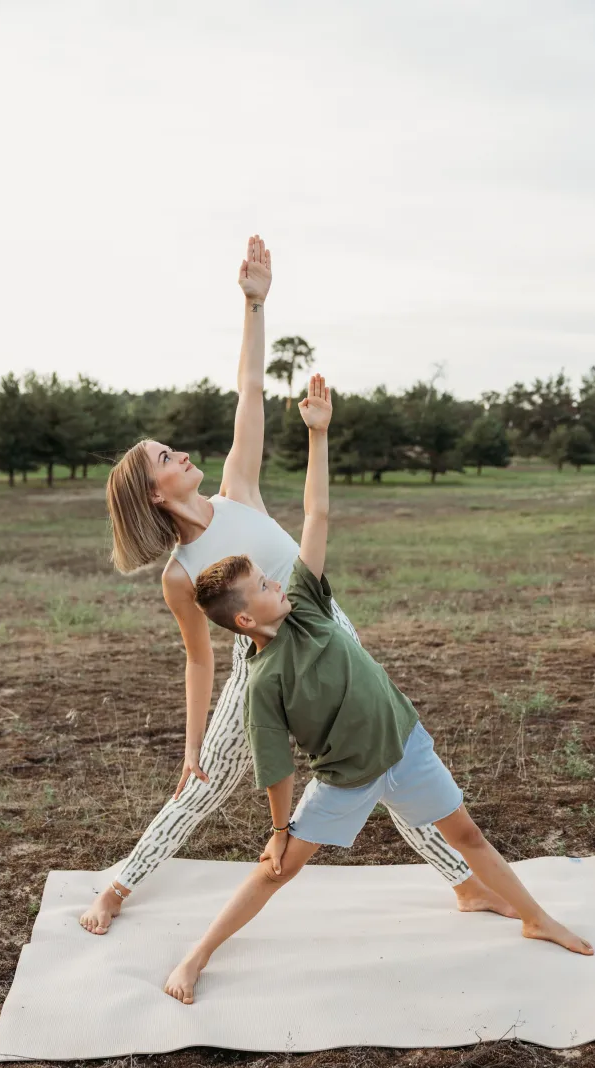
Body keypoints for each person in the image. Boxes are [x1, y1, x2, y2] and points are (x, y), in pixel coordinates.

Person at [79, 236, 508, 936]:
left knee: (381, 750)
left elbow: (249, 389)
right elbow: (199, 659)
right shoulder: (180, 575)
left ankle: (464, 884)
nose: (182, 453)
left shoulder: (238, 491)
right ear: (154, 493)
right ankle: (120, 887)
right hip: (265, 664)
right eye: (166, 456)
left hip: (329, 628)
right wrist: (190, 747)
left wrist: (254, 304)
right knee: (208, 781)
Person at [164, 374, 594, 1003]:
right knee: (273, 871)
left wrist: (319, 436)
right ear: (248, 620)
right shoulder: (262, 681)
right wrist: (281, 829)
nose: (276, 580)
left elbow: (318, 512)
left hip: (406, 744)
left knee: (469, 835)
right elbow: (275, 766)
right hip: (347, 778)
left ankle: (536, 918)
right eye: (263, 584)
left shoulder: (306, 603)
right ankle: (198, 956)